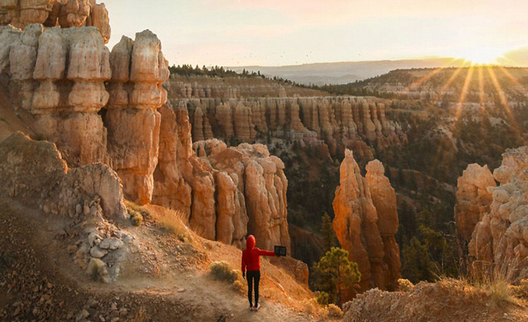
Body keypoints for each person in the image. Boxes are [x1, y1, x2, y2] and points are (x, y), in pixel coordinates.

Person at [241, 235, 276, 311]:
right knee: (256, 288)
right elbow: (266, 253)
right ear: (254, 242)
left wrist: (243, 271)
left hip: (249, 272)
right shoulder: (256, 251)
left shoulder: (244, 252)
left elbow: (243, 263)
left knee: (250, 289)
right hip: (256, 272)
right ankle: (256, 305)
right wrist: (275, 253)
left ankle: (250, 305)